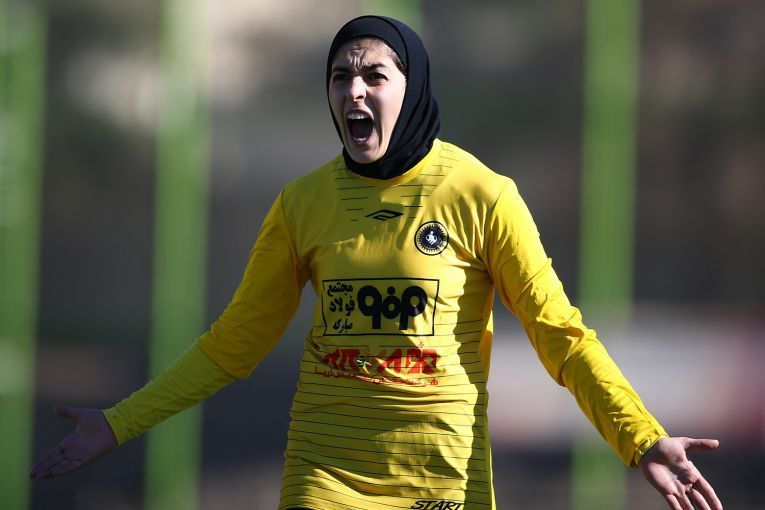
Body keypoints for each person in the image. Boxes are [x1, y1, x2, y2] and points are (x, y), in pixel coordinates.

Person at [30, 15, 723, 510]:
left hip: (440, 479)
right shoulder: (302, 203)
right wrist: (119, 422)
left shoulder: (482, 194)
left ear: (411, 87)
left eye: (374, 76)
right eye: (340, 78)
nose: (354, 92)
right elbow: (232, 345)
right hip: (324, 475)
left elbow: (560, 337)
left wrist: (641, 440)